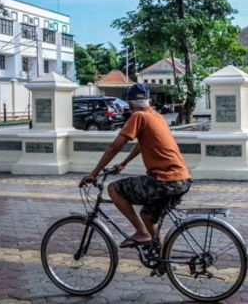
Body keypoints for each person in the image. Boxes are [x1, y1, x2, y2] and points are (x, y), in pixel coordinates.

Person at [79, 83, 192, 248]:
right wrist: (123, 163)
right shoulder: (156, 116)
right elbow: (141, 144)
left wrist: (93, 174)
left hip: (165, 180)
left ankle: (141, 233)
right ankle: (160, 255)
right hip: (182, 179)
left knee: (114, 189)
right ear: (150, 102)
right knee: (147, 216)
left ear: (130, 105)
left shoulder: (138, 116)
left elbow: (115, 147)